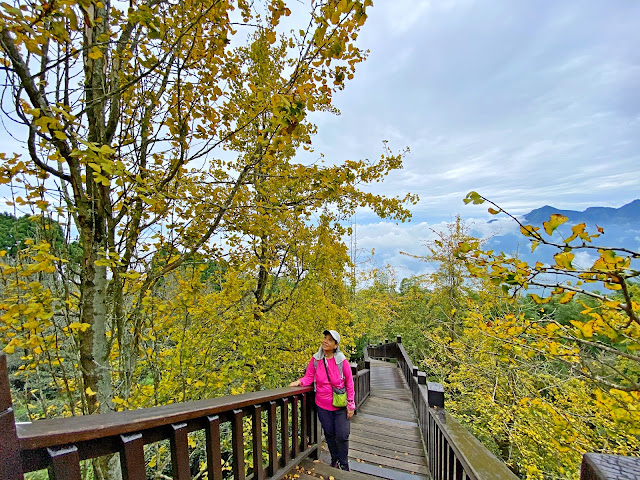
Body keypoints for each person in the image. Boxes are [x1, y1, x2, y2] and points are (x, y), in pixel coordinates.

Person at [290, 329, 355, 471]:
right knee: (329, 434)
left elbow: (349, 382)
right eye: (325, 338)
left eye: (330, 340)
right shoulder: (316, 359)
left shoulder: (341, 361)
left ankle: (344, 464)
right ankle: (335, 459)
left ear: (336, 345)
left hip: (340, 405)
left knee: (343, 435)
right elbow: (309, 377)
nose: (325, 341)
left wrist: (351, 403)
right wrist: (299, 382)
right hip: (322, 405)